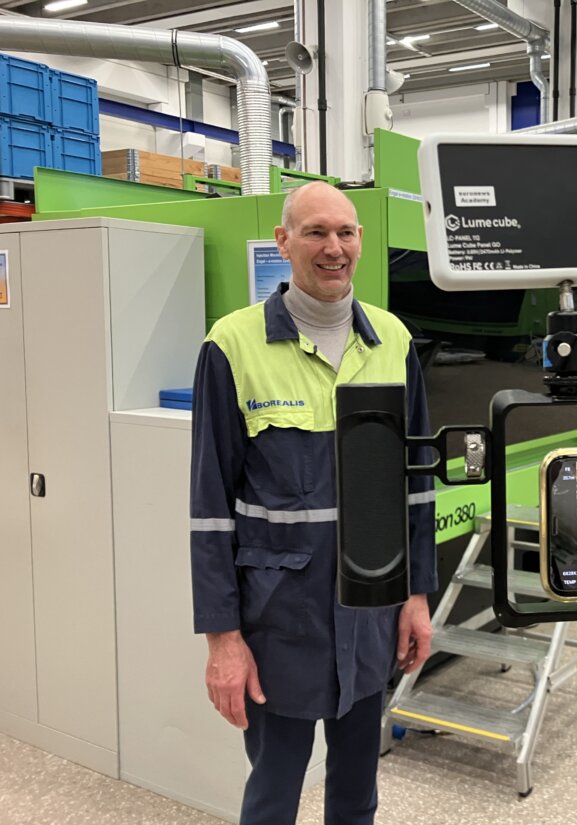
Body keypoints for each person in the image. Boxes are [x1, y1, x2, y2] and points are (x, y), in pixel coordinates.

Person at [189, 181, 436, 825]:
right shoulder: (233, 344)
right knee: (274, 790)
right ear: (284, 241)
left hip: (372, 609)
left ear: (360, 241)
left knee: (357, 792)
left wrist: (416, 596)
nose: (334, 248)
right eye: (316, 232)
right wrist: (223, 640)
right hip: (278, 620)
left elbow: (415, 484)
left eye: (346, 232)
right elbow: (210, 505)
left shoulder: (393, 341)